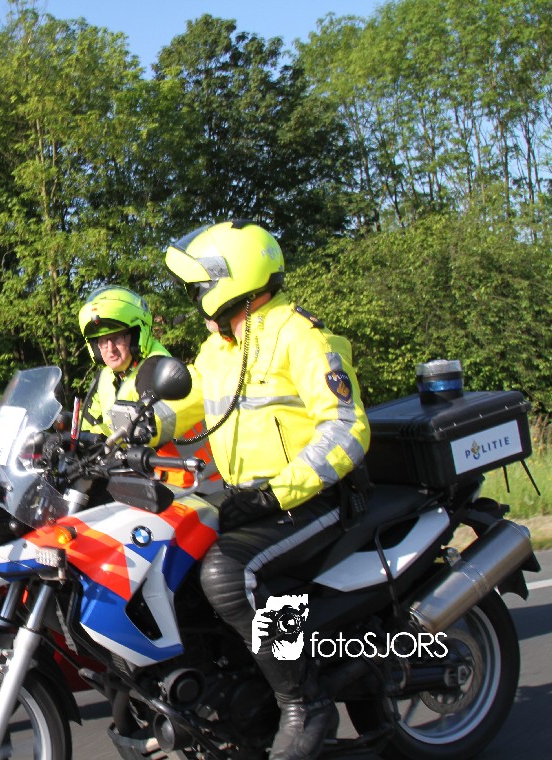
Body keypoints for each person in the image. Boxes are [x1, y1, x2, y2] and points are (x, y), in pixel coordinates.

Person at [162, 220, 370, 760]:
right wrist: (125, 426)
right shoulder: (221, 347)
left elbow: (347, 429)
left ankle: (304, 702)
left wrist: (276, 494)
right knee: (171, 553)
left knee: (227, 572)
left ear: (230, 282)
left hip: (311, 500)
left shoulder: (298, 335)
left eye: (198, 286)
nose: (193, 298)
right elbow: (186, 402)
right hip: (250, 501)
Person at [77, 287, 222, 494]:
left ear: (136, 335)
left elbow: (145, 427)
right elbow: (91, 424)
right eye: (101, 341)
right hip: (152, 479)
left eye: (117, 338)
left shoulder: (154, 368)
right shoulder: (107, 377)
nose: (110, 349)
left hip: (193, 482)